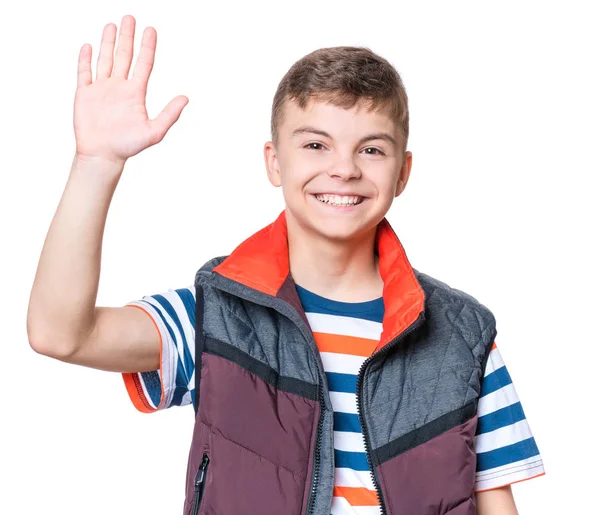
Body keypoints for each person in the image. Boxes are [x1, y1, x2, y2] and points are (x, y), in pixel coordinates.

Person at [27, 14, 545, 515]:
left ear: (403, 171)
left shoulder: (462, 335)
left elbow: (493, 501)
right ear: (275, 161)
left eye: (371, 149)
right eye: (316, 144)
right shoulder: (216, 316)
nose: (343, 169)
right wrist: (96, 165)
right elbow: (61, 334)